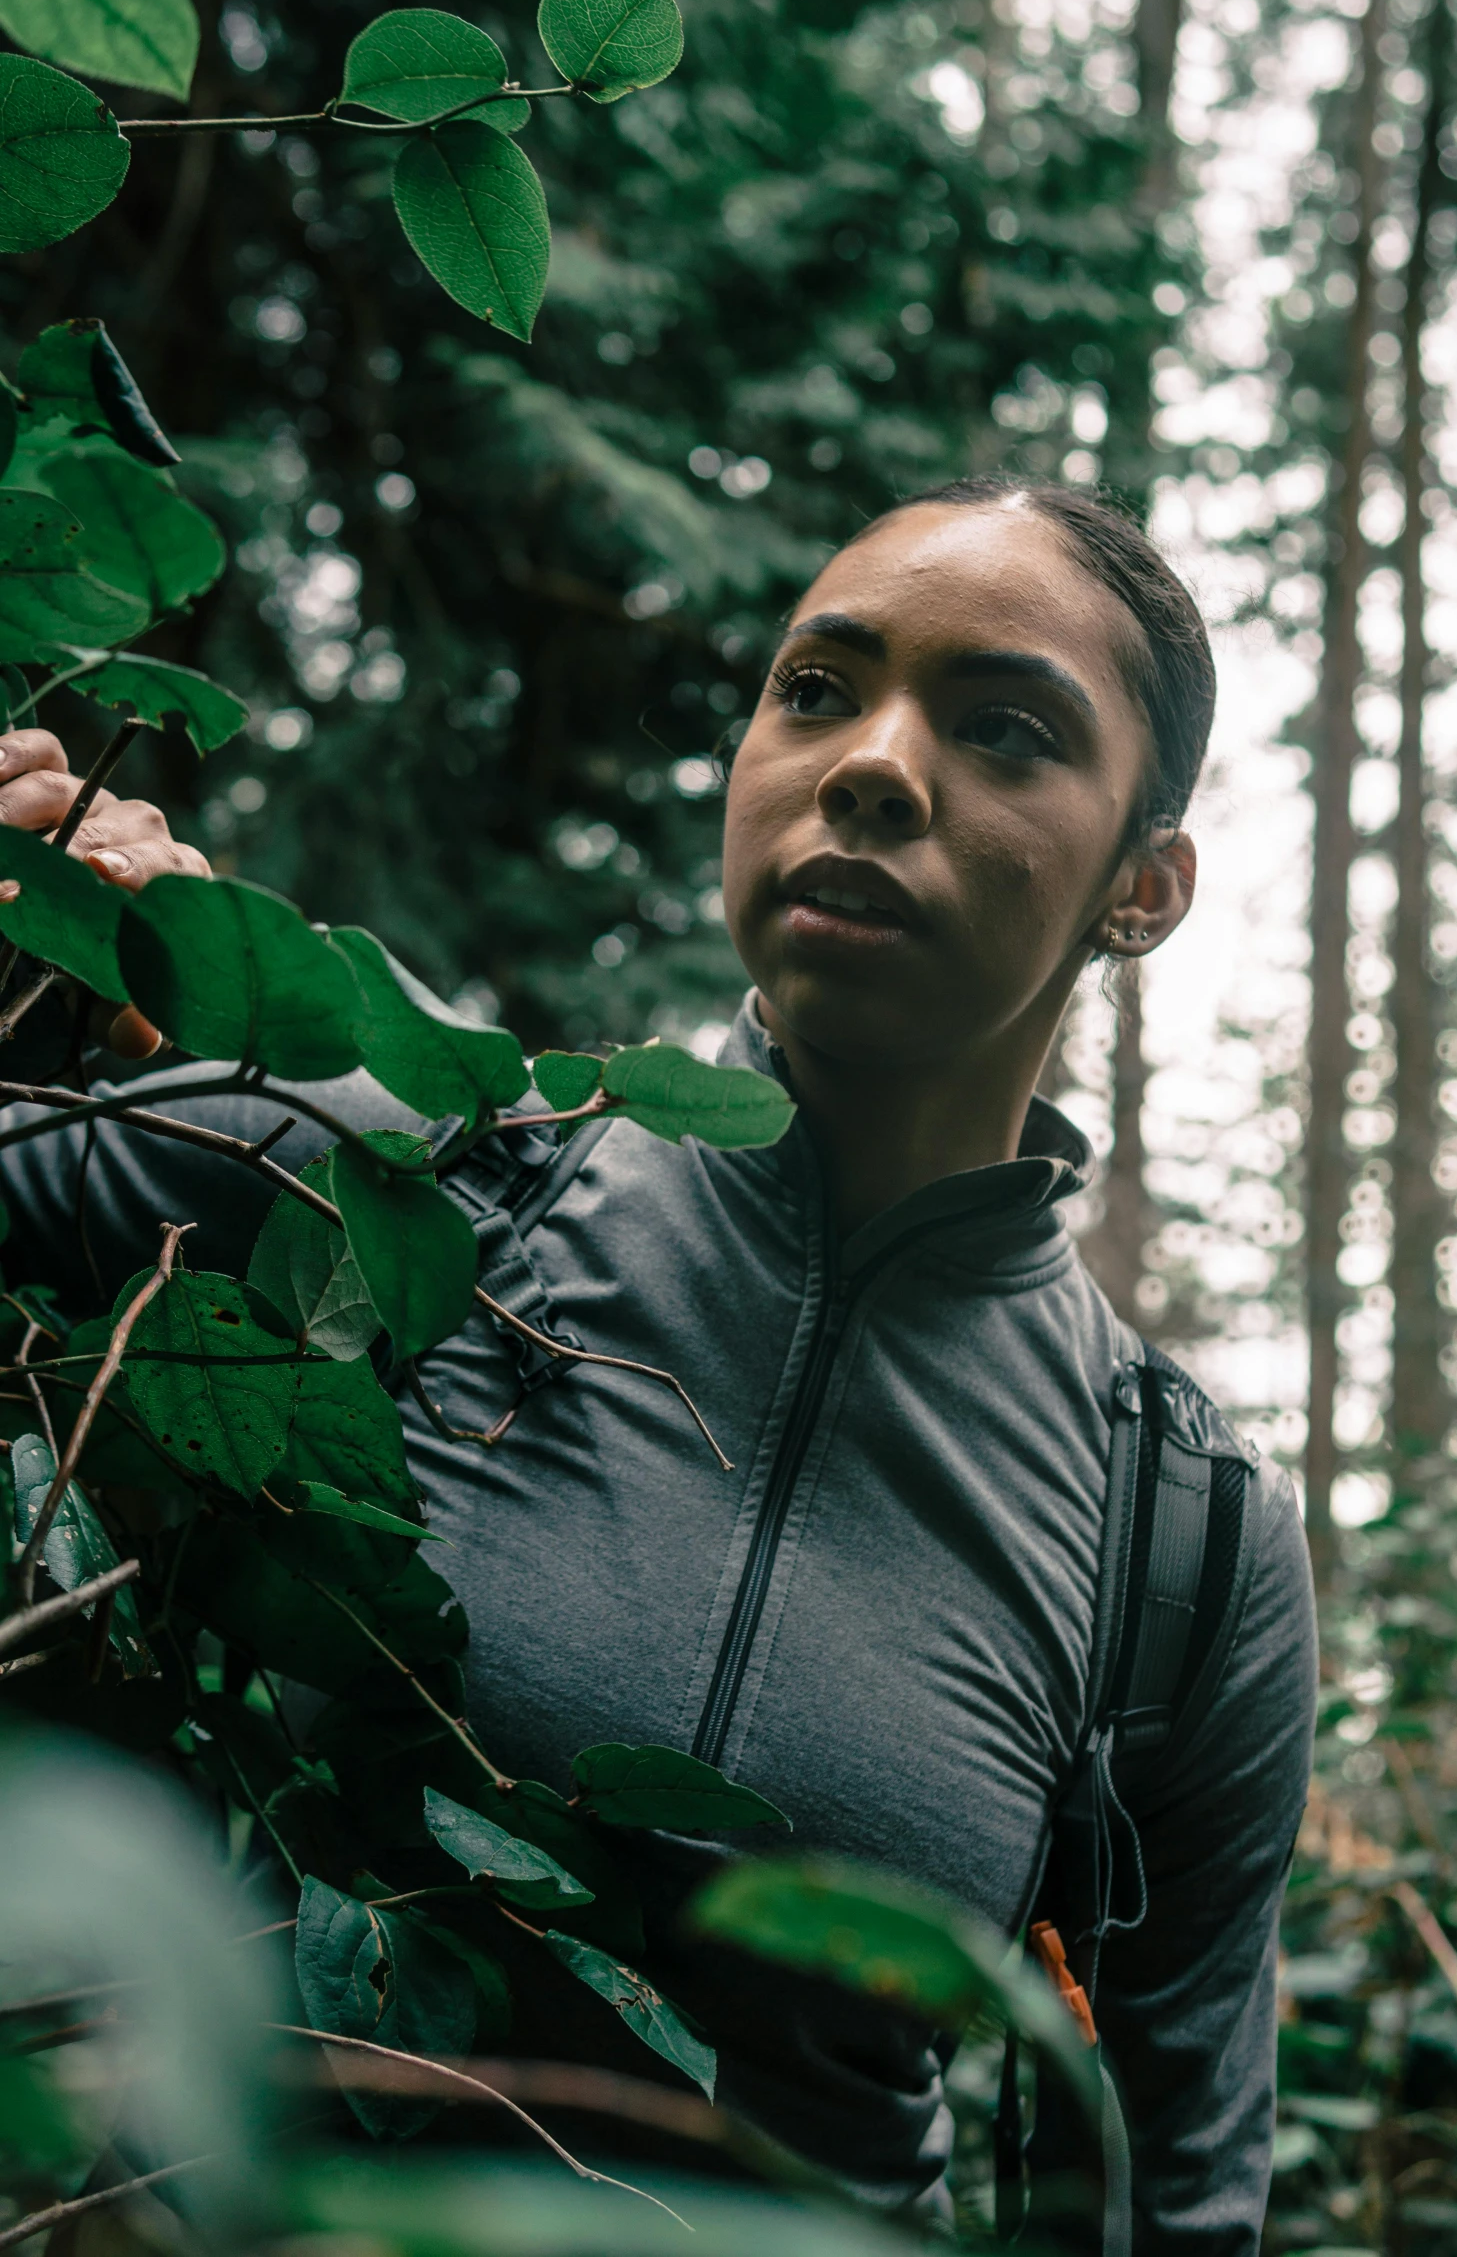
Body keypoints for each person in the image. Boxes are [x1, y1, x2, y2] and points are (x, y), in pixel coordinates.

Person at [0, 478, 1315, 2251]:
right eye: (818, 687)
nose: (870, 763)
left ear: (1141, 886)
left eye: (1004, 727)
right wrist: (41, 960)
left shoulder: (1183, 1534)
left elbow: (1180, 2192)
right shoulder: (413, 1164)